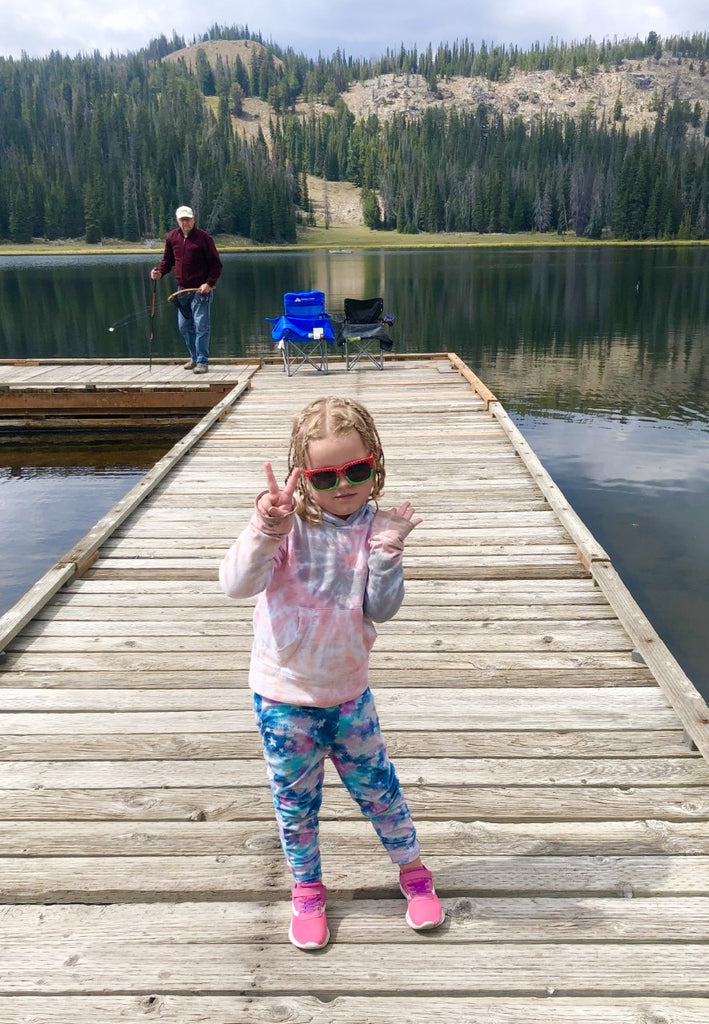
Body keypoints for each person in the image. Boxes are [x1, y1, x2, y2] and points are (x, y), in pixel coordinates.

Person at [219, 396, 444, 951]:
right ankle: (308, 889)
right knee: (295, 804)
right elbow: (236, 584)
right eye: (324, 476)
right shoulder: (286, 526)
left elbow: (381, 608)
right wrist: (265, 527)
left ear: (376, 464)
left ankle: (414, 873)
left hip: (348, 695)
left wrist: (388, 551)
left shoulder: (375, 527)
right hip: (283, 698)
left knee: (380, 789)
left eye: (357, 470)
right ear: (302, 476)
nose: (343, 486)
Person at [150, 206, 222, 374]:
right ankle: (194, 357)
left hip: (200, 291)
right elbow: (167, 260)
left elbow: (216, 265)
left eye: (188, 219)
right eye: (182, 220)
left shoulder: (204, 238)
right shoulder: (172, 238)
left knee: (201, 326)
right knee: (184, 327)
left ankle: (202, 362)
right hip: (181, 291)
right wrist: (159, 272)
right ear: (177, 221)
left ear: (193, 220)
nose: (185, 222)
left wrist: (209, 283)